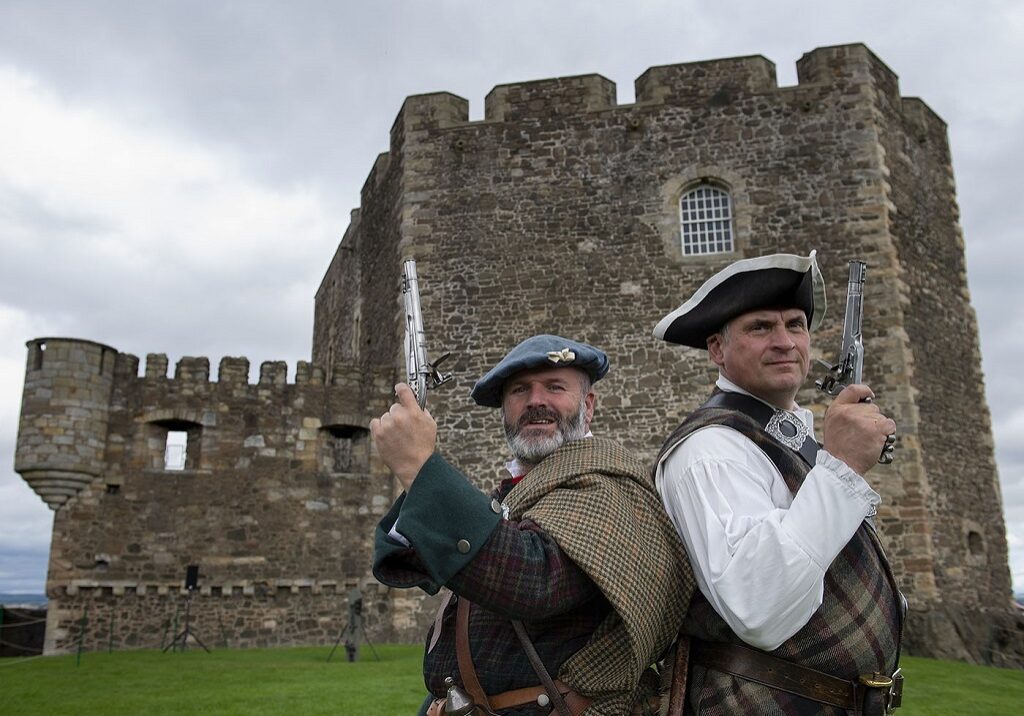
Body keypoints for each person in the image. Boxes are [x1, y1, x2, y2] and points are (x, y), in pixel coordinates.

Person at [372, 334, 694, 715]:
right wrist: (421, 482)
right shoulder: (516, 494)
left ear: (588, 406)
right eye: (520, 390)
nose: (536, 400)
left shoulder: (608, 484)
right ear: (504, 411)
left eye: (555, 387)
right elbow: (405, 557)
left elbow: (534, 581)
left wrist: (421, 468)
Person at [652, 252, 904, 715]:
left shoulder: (781, 433)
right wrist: (843, 465)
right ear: (716, 349)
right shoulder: (709, 451)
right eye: (761, 327)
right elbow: (759, 608)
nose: (785, 341)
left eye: (796, 325)